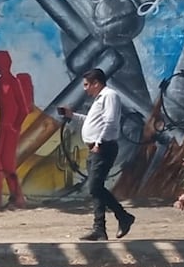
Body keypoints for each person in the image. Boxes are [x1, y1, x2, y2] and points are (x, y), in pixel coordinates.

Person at [58, 68, 135, 241]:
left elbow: (110, 121)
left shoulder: (110, 96)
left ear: (96, 83)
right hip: (95, 148)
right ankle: (99, 228)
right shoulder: (99, 99)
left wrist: (99, 142)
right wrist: (72, 116)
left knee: (94, 187)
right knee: (96, 189)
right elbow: (91, 122)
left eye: (87, 84)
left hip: (103, 147)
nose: (85, 88)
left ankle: (123, 216)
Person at [0, 50, 32, 209]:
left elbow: (23, 109)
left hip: (10, 129)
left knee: (7, 164)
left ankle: (17, 198)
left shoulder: (14, 83)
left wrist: (15, 126)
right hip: (1, 129)